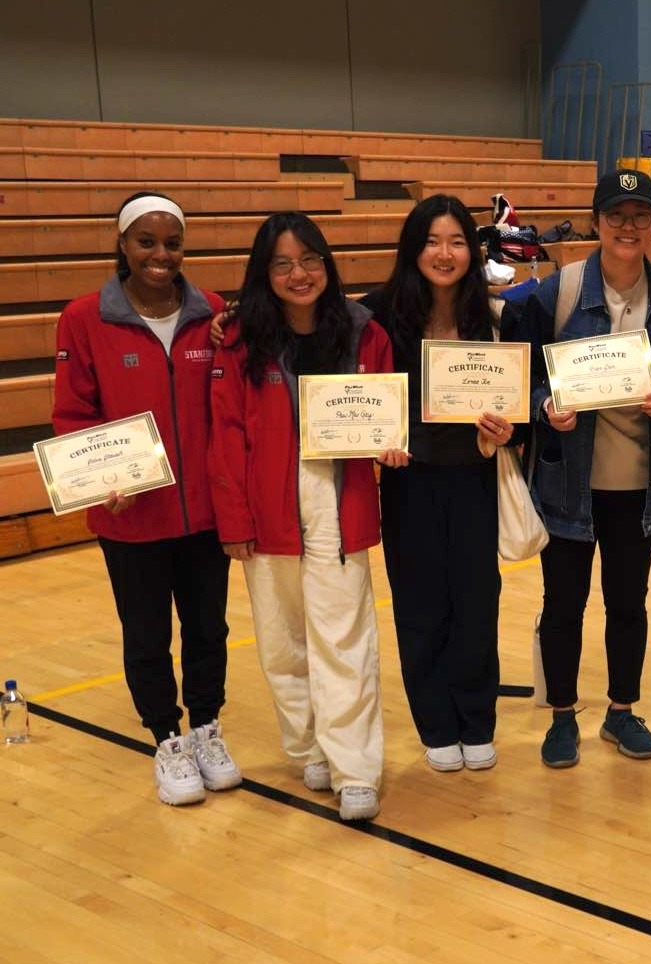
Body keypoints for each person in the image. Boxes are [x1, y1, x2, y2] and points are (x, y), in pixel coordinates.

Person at [209, 212, 405, 822]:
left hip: (338, 500)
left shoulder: (364, 334)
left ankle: (356, 769)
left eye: (310, 259)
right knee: (282, 642)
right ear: (264, 273)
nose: (300, 274)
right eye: (284, 263)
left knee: (345, 640)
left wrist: (389, 443)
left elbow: (382, 411)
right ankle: (309, 747)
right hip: (266, 503)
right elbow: (227, 434)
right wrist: (235, 519)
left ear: (328, 263)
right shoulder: (240, 339)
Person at [52, 192, 240, 806]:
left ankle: (207, 727)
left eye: (172, 243)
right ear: (123, 244)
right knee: (146, 633)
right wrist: (100, 483)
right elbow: (73, 415)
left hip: (205, 513)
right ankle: (167, 739)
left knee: (209, 628)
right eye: (147, 242)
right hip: (129, 514)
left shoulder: (211, 311)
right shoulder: (83, 318)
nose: (161, 255)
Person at [513, 169, 651, 769]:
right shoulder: (554, 293)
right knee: (563, 603)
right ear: (596, 222)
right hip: (567, 483)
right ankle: (562, 716)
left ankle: (621, 710)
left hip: (639, 483)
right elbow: (522, 378)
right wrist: (544, 406)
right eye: (616, 215)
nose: (628, 226)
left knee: (628, 602)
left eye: (640, 215)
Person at [365, 195, 514, 773]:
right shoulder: (377, 313)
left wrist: (509, 429)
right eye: (431, 241)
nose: (444, 254)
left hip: (475, 478)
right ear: (412, 248)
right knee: (421, 606)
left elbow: (518, 403)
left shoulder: (492, 316)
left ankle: (477, 720)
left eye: (456, 242)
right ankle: (435, 724)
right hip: (409, 485)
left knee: (477, 603)